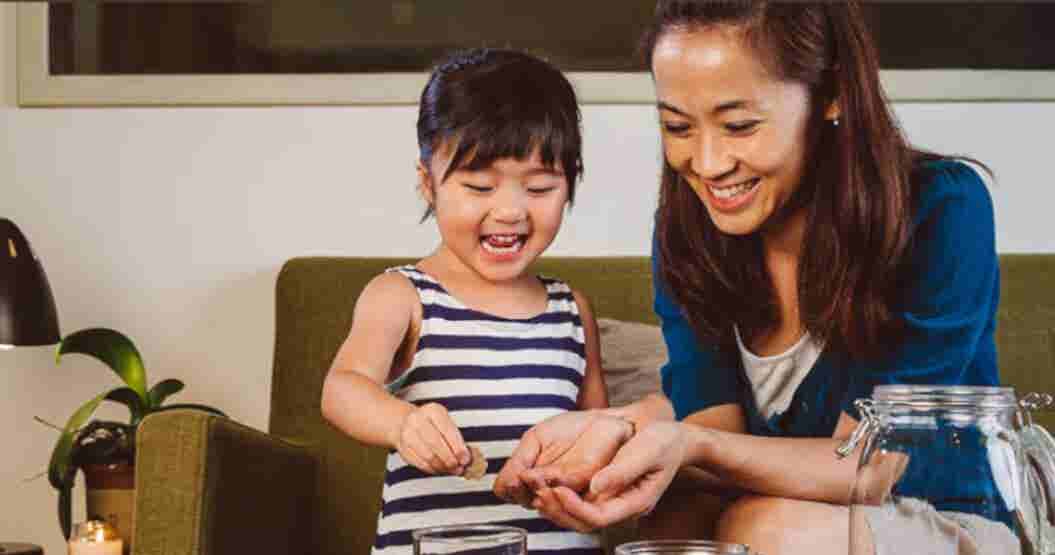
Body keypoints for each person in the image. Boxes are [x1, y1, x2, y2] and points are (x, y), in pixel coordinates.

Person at [494, 2, 1003, 554]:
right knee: (677, 519)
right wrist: (613, 436)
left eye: (739, 125)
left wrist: (686, 443)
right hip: (782, 509)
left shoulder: (940, 208)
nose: (708, 163)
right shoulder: (690, 233)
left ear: (831, 95)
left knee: (763, 529)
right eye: (677, 126)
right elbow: (716, 430)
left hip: (941, 515)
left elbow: (870, 466)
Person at [320, 48, 638, 555]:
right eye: (479, 186)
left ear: (570, 184)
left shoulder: (572, 310)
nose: (510, 211)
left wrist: (587, 467)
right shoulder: (403, 295)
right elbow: (342, 389)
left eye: (539, 187)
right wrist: (403, 424)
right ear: (429, 184)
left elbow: (593, 434)